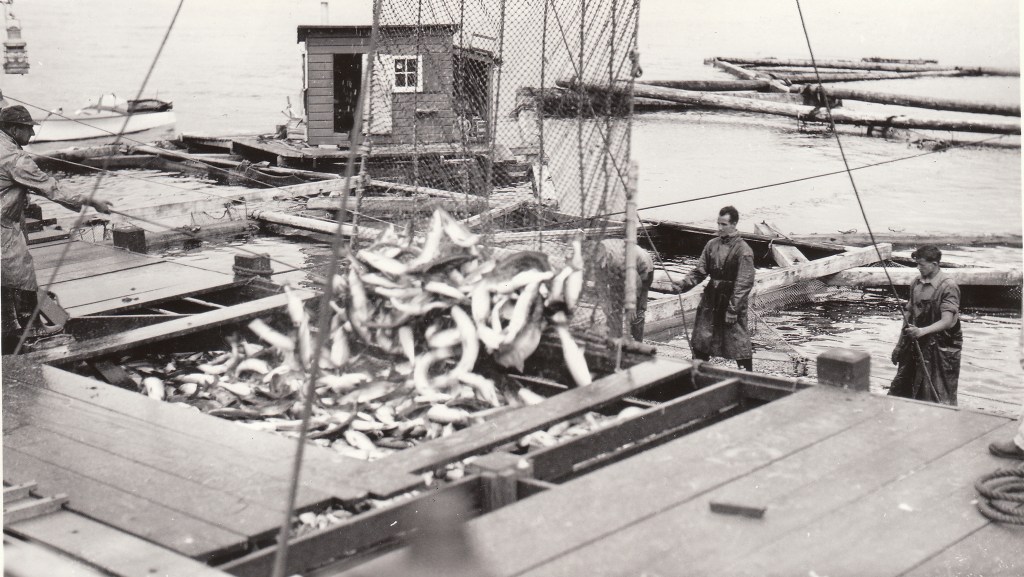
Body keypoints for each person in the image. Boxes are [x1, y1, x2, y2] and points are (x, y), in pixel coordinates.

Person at [1, 105, 113, 344]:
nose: (32, 135)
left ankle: (7, 324)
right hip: (2, 226)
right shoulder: (16, 158)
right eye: (28, 129)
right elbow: (51, 187)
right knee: (21, 271)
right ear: (13, 129)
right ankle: (31, 328)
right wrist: (91, 201)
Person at [673, 206, 755, 371]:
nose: (719, 228)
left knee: (739, 343)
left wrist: (733, 310)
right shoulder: (711, 245)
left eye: (723, 224)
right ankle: (697, 374)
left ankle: (749, 377)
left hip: (730, 301)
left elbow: (743, 283)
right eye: (718, 223)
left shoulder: (744, 250)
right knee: (702, 339)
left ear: (734, 224)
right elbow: (700, 271)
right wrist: (683, 284)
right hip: (711, 299)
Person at [888, 245, 961, 405]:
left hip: (940, 350)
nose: (918, 268)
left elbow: (947, 321)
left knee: (936, 395)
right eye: (917, 264)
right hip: (914, 343)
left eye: (922, 264)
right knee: (901, 389)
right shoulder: (916, 283)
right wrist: (899, 346)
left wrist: (922, 331)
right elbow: (908, 316)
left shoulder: (948, 286)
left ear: (934, 264)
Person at [595, 238, 655, 341]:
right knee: (613, 310)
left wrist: (632, 304)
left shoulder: (618, 259)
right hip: (618, 271)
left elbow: (634, 283)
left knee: (636, 313)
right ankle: (615, 341)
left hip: (642, 272)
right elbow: (600, 283)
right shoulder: (596, 254)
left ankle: (637, 343)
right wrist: (605, 302)